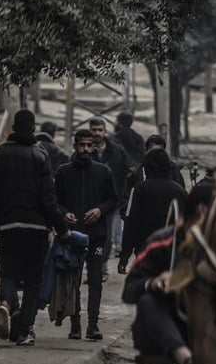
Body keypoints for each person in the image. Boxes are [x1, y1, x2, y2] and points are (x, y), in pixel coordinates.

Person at [121, 181, 214, 364]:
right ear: (203, 211)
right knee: (148, 300)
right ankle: (186, 360)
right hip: (167, 332)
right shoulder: (161, 243)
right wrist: (153, 283)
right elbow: (129, 290)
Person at [0, 110, 72, 346]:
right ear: (32, 129)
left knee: (8, 271)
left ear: (13, 129)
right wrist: (61, 228)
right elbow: (48, 199)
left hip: (7, 225)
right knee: (32, 280)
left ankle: (6, 303)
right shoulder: (40, 155)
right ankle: (24, 331)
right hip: (36, 227)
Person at [54, 128, 119, 341]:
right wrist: (65, 214)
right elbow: (55, 200)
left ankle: (92, 325)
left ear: (95, 146)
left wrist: (100, 210)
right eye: (82, 145)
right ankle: (75, 325)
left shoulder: (103, 171)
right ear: (75, 146)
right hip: (72, 236)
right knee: (72, 281)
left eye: (89, 145)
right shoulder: (63, 172)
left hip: (96, 236)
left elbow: (113, 200)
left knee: (95, 281)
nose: (85, 149)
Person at [117, 149, 187, 274]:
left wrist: (124, 257)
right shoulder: (180, 191)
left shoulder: (140, 189)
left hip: (145, 249)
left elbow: (131, 224)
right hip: (171, 250)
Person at [90, 117, 130, 260]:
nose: (97, 133)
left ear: (105, 131)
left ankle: (102, 265)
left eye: (100, 130)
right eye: (94, 130)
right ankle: (94, 266)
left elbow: (126, 173)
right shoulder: (84, 151)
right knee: (89, 236)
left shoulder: (117, 151)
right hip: (89, 200)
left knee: (107, 236)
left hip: (110, 200)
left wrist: (122, 195)